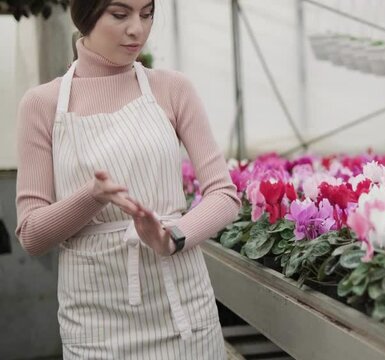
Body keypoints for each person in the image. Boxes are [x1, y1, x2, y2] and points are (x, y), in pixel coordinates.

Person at [15, 0, 240, 358]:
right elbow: (31, 235)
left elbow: (224, 195)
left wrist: (172, 237)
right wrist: (92, 196)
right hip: (95, 322)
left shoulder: (173, 88)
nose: (138, 29)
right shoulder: (42, 104)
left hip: (181, 307)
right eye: (120, 15)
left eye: (147, 14)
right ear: (85, 15)